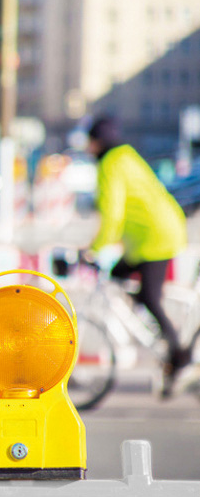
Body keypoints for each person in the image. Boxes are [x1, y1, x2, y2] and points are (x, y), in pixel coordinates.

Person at [84, 115, 189, 397]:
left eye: (90, 142)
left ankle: (177, 352)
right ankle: (159, 335)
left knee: (150, 296)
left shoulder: (110, 164)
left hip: (155, 237)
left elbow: (112, 213)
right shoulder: (126, 155)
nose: (88, 148)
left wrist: (95, 249)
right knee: (118, 276)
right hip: (153, 234)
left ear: (98, 142)